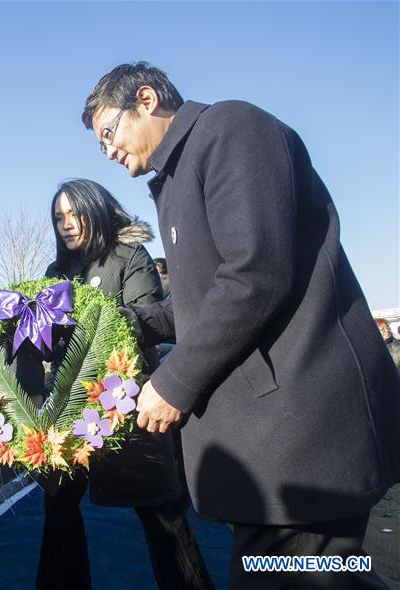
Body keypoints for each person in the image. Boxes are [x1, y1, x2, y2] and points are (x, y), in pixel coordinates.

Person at [81, 61, 400, 589]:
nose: (108, 150)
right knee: (323, 575)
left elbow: (256, 275)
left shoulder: (229, 130)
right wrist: (120, 321)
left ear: (146, 99)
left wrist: (174, 381)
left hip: (303, 429)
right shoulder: (175, 179)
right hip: (271, 442)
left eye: (109, 132)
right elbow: (197, 303)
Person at [24, 178, 212, 590]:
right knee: (58, 502)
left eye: (74, 214)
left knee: (160, 511)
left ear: (95, 210)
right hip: (70, 406)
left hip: (124, 402)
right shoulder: (55, 273)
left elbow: (148, 322)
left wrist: (92, 322)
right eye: (58, 217)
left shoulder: (131, 256)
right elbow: (49, 346)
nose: (66, 224)